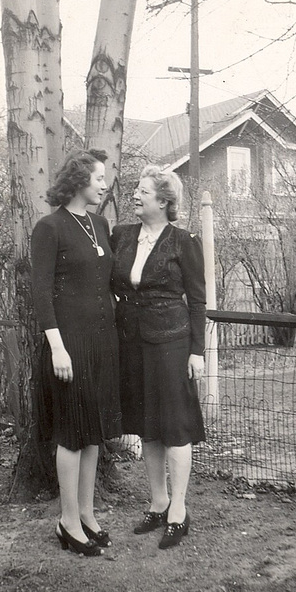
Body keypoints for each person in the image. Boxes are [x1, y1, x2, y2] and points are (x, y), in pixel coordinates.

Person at [31, 148, 122, 557]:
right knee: (71, 432)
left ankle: (86, 513)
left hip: (102, 342)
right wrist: (57, 348)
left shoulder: (101, 224)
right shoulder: (49, 228)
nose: (104, 184)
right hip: (68, 344)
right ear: (79, 181)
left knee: (93, 432)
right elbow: (41, 293)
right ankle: (66, 520)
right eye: (99, 178)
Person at [111, 164, 206, 550]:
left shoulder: (184, 241)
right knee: (146, 425)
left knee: (175, 426)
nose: (135, 194)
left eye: (144, 191)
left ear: (165, 202)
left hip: (171, 342)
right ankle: (158, 501)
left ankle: (179, 510)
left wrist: (197, 351)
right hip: (131, 341)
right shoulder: (122, 235)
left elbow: (198, 300)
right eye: (136, 188)